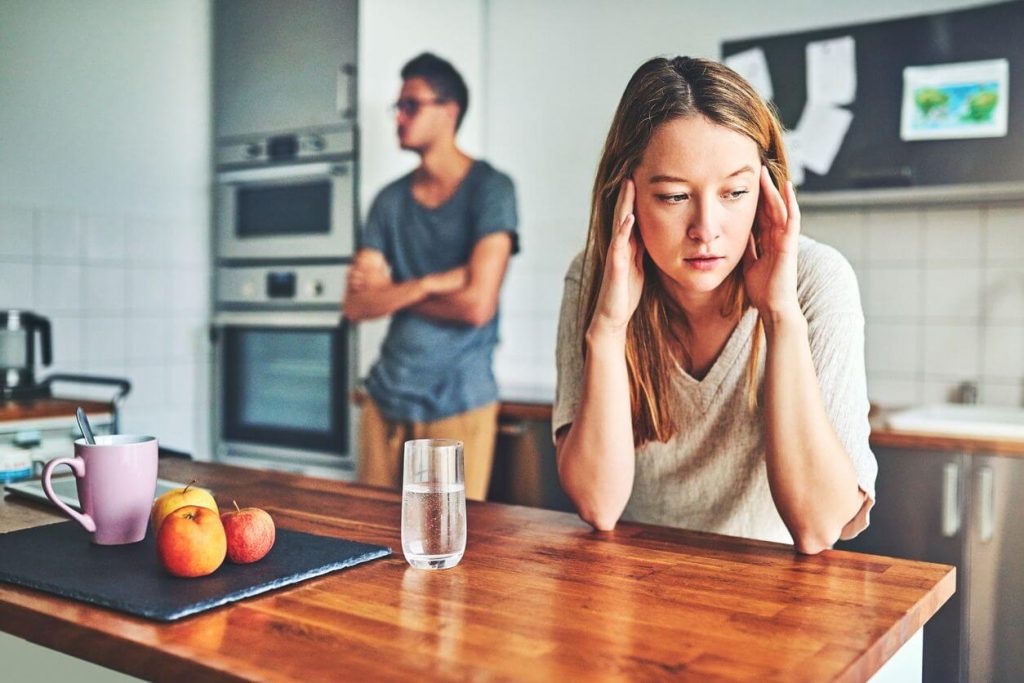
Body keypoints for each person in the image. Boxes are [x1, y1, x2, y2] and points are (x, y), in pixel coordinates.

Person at [553, 56, 877, 554]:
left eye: (735, 192)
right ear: (628, 195)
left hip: (774, 597)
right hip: (638, 588)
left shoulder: (817, 281)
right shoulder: (594, 277)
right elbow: (599, 505)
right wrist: (610, 328)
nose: (707, 228)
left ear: (768, 192)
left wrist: (781, 315)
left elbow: (819, 527)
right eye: (675, 196)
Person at [343, 53, 518, 501]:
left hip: (456, 403)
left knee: (444, 550)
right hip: (384, 400)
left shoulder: (492, 190)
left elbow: (477, 306)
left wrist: (392, 292)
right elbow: (357, 306)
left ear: (449, 111)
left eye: (411, 105)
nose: (398, 117)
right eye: (397, 107)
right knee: (368, 549)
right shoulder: (388, 201)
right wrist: (429, 283)